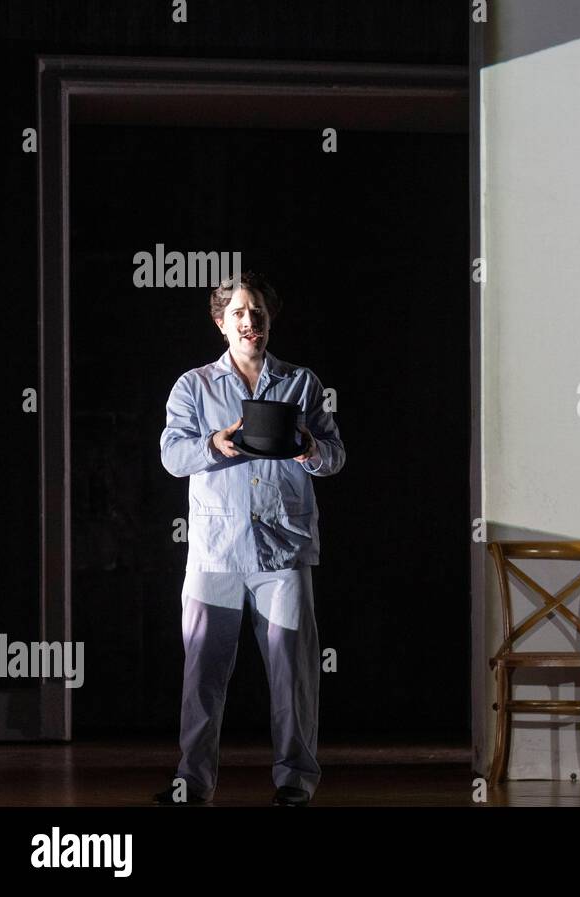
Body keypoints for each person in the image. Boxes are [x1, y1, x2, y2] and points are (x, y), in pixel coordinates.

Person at [155, 272, 344, 806]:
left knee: (293, 677)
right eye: (238, 312)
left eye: (257, 312)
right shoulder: (193, 386)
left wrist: (309, 447)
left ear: (269, 320)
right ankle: (191, 783)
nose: (248, 321)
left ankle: (294, 783)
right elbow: (172, 457)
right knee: (203, 679)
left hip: (282, 552)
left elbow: (334, 457)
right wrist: (216, 444)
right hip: (215, 552)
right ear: (221, 323)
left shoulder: (301, 382)